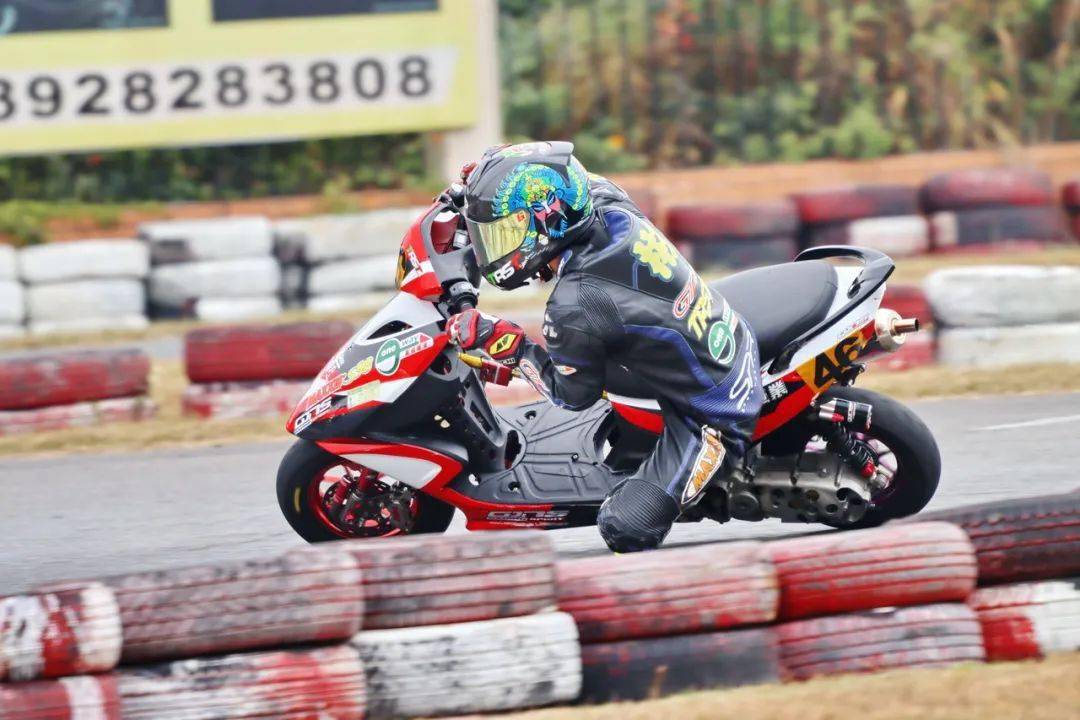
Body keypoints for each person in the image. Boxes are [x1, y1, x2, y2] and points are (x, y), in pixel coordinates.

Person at [446, 141, 764, 552]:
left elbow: (571, 396)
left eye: (506, 231)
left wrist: (508, 343)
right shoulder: (603, 199)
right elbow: (561, 175)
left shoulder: (575, 304)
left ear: (545, 224)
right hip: (707, 336)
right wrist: (487, 182)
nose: (494, 245)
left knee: (622, 527)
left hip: (712, 410)